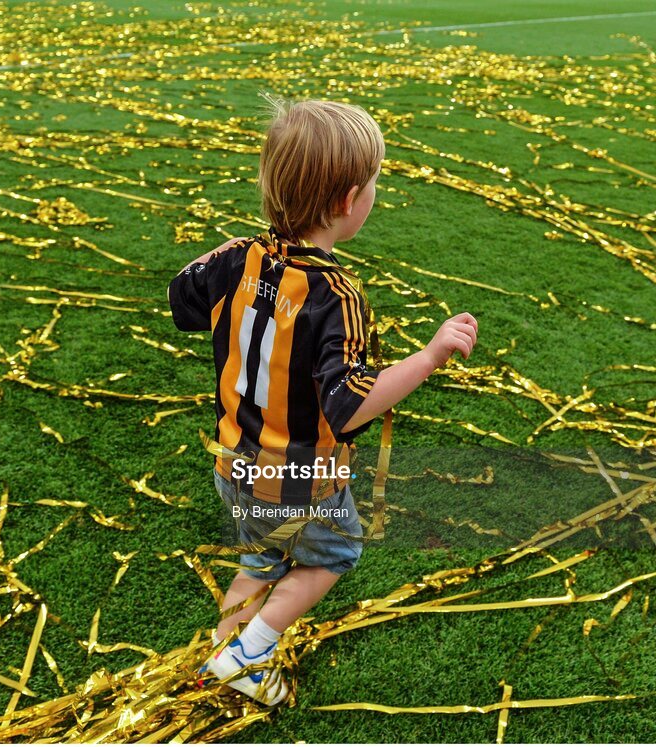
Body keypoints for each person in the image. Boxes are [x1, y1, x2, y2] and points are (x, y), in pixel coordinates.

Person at [167, 95, 478, 705]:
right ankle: (248, 653)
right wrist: (429, 357)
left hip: (234, 461)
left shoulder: (236, 258)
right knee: (333, 554)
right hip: (302, 476)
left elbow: (182, 300)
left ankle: (224, 656)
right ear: (346, 203)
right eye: (373, 190)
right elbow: (349, 405)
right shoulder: (336, 296)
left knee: (260, 559)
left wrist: (230, 261)